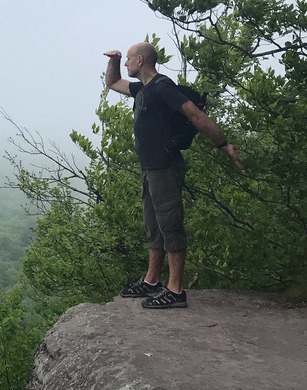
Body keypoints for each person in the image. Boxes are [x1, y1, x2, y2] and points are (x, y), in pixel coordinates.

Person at [104, 43, 244, 309]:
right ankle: (152, 280)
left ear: (141, 60)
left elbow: (195, 115)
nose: (127, 65)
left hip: (165, 167)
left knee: (170, 224)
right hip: (151, 168)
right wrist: (114, 60)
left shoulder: (162, 87)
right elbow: (112, 84)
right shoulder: (142, 89)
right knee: (154, 225)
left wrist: (224, 144)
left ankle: (176, 290)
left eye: (129, 60)